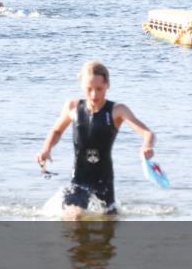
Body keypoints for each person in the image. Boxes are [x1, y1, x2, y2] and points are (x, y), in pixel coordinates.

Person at [35, 61, 156, 220]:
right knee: (73, 217)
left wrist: (146, 146)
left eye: (99, 89)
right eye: (89, 89)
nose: (94, 95)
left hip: (104, 181)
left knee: (108, 225)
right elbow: (57, 131)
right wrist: (46, 148)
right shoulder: (73, 107)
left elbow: (147, 133)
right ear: (82, 86)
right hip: (79, 179)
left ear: (107, 85)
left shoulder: (117, 110)